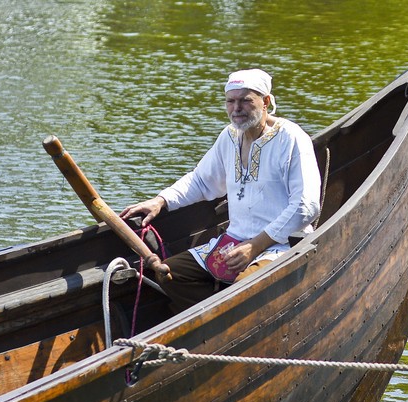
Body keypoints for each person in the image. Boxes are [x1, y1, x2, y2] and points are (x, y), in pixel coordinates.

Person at [121, 68, 321, 312]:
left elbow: (306, 206)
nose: (236, 108)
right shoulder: (229, 136)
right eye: (230, 101)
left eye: (245, 100)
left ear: (266, 102)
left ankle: (230, 317)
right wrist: (162, 200)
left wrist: (255, 246)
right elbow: (202, 181)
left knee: (240, 292)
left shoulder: (290, 138)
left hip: (281, 245)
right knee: (170, 274)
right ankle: (219, 318)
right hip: (234, 240)